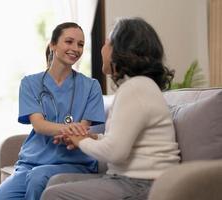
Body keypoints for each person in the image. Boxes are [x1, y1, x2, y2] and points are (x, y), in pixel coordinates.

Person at [40, 17, 180, 200]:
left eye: (107, 43)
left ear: (122, 50)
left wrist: (80, 140)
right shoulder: (137, 86)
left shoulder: (136, 88)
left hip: (144, 183)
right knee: (57, 181)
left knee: (53, 194)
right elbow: (121, 140)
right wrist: (92, 137)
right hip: (131, 179)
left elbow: (115, 152)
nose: (102, 49)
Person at [0, 22, 105, 200]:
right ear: (53, 45)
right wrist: (70, 130)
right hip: (31, 162)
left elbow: (83, 129)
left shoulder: (91, 86)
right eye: (69, 41)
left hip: (74, 162)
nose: (75, 48)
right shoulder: (30, 83)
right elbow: (39, 124)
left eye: (80, 44)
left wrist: (71, 130)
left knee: (38, 178)